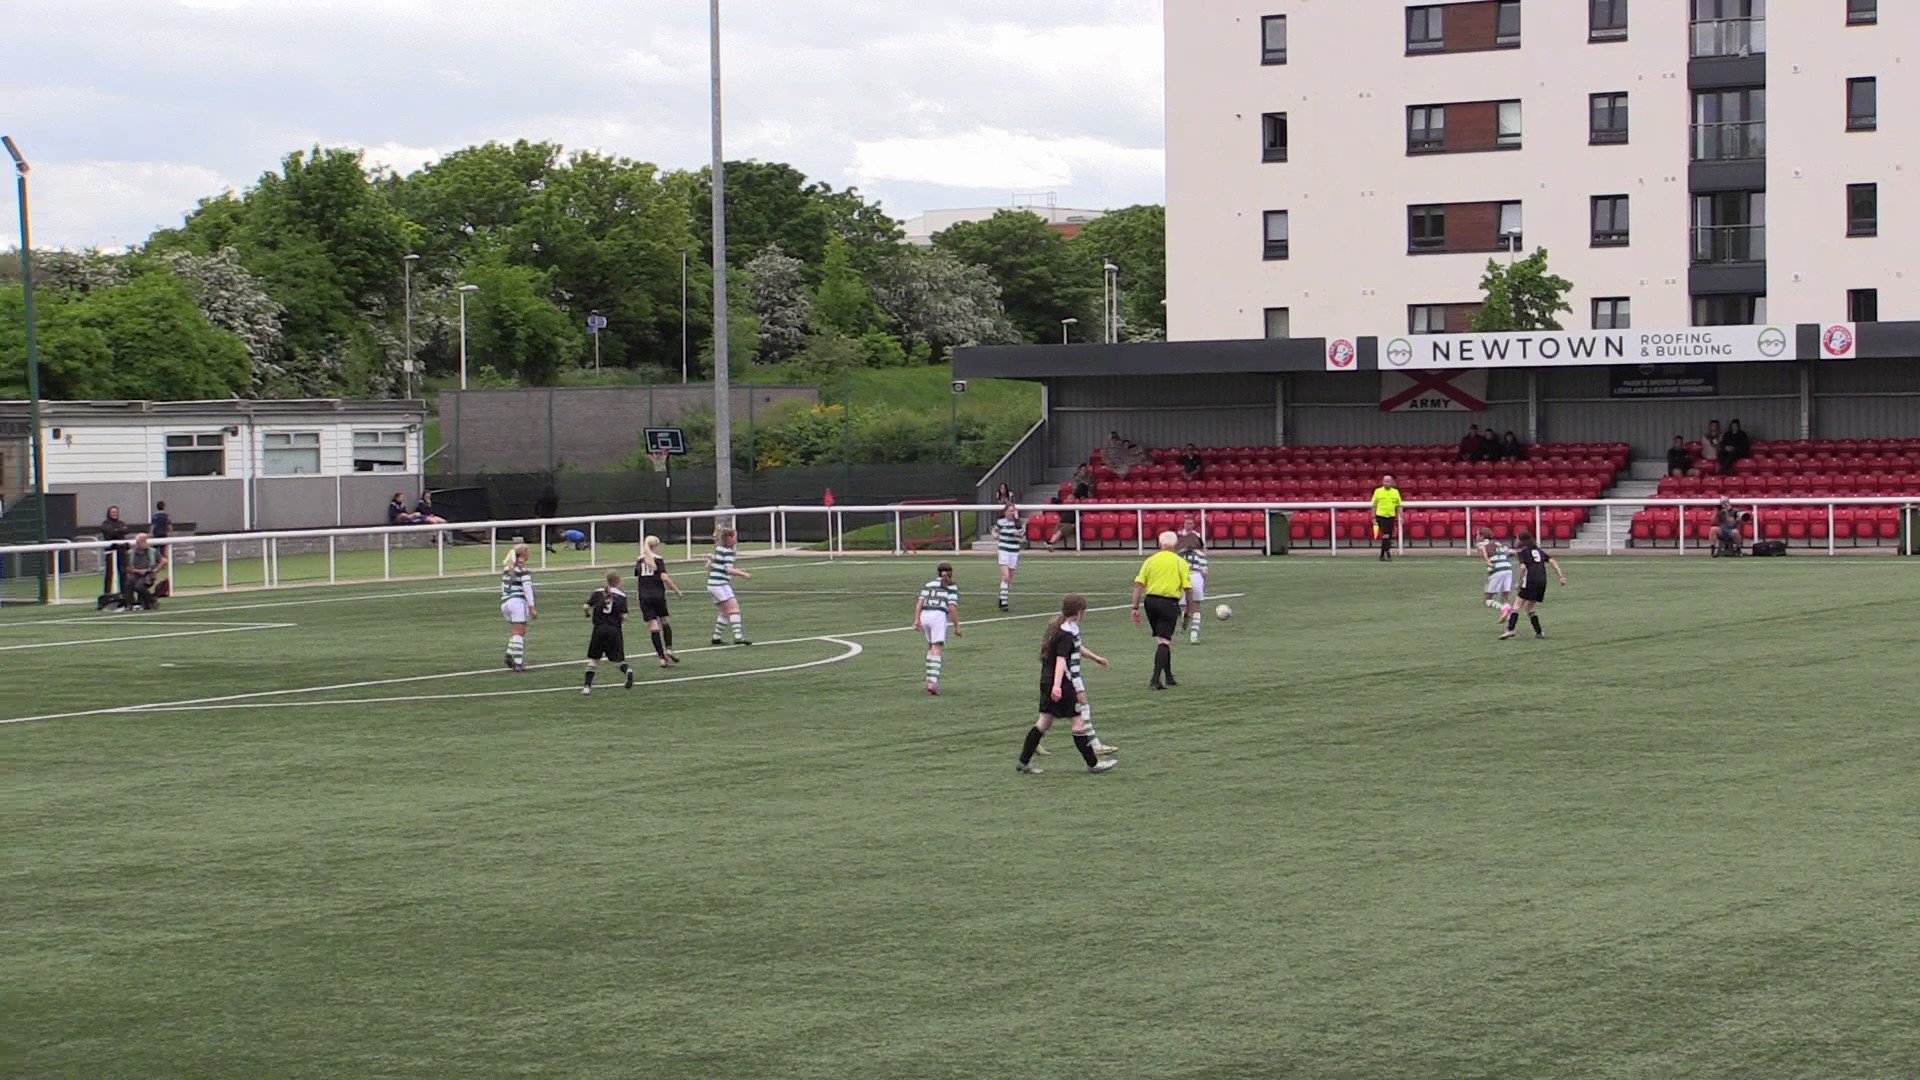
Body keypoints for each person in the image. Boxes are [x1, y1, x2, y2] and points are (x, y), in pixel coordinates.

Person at [1015, 594, 1119, 776]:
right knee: (1078, 723)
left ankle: (1023, 761)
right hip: (1061, 683)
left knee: (1044, 722)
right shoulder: (1066, 633)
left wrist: (1095, 657)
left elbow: (1073, 649)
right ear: (1079, 612)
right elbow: (1061, 660)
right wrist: (1057, 686)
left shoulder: (1062, 629)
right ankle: (1093, 764)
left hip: (1046, 680)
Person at [1131, 530, 1193, 691]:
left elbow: (1138, 585)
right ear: (1175, 544)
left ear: (1160, 544)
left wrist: (1135, 607)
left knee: (1161, 639)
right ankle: (1155, 679)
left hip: (1150, 602)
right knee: (1164, 641)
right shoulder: (1180, 563)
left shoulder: (1150, 561)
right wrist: (1189, 611)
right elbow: (1188, 589)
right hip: (1169, 603)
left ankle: (1169, 676)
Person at [1502, 529, 1566, 640]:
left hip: (1530, 580)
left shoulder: (1523, 552)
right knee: (1530, 607)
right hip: (1542, 581)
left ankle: (1510, 630)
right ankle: (1539, 632)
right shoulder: (1538, 551)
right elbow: (1553, 561)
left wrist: (1520, 582)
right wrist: (1561, 576)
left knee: (1517, 605)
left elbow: (1523, 567)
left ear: (1521, 540)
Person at [633, 534, 685, 668]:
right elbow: (665, 578)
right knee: (665, 621)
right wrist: (676, 591)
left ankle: (662, 658)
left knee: (653, 626)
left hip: (644, 597)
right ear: (655, 546)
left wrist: (639, 593)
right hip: (658, 595)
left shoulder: (639, 560)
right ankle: (669, 649)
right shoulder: (658, 559)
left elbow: (639, 579)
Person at [911, 562, 962, 695]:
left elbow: (919, 602)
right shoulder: (951, 586)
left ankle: (929, 678)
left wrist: (916, 619)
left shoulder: (929, 584)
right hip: (938, 615)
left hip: (925, 615)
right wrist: (957, 626)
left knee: (930, 646)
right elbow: (951, 608)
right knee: (937, 647)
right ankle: (932, 682)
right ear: (950, 572)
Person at [580, 570, 633, 694]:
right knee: (618, 659)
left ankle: (587, 687)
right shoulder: (621, 596)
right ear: (618, 581)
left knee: (594, 659)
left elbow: (586, 606)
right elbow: (624, 616)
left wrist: (587, 614)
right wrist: (621, 622)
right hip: (614, 630)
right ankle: (627, 670)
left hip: (599, 629)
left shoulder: (598, 592)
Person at [705, 526, 752, 645]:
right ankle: (738, 637)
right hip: (719, 584)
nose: (736, 539)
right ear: (730, 538)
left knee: (724, 612)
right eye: (735, 537)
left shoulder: (719, 549)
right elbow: (729, 570)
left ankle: (716, 637)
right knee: (734, 609)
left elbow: (708, 567)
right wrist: (743, 574)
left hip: (715, 584)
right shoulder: (728, 552)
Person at [500, 543, 537, 671]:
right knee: (519, 632)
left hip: (505, 602)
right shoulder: (523, 570)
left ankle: (509, 654)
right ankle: (518, 663)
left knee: (519, 631)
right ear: (523, 553)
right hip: (517, 602)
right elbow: (527, 589)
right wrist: (532, 607)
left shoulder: (507, 568)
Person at [1177, 514, 1210, 644]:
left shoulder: (1179, 553)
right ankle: (1194, 635)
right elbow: (1205, 571)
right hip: (1195, 577)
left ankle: (1184, 623)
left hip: (1184, 577)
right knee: (1196, 607)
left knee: (1184, 606)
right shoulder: (1200, 554)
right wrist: (1204, 584)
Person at [119, 534, 167, 611]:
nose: (144, 543)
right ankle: (130, 604)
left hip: (148, 574)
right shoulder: (130, 553)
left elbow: (164, 561)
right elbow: (126, 568)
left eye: (145, 541)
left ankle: (152, 599)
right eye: (142, 541)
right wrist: (138, 571)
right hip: (135, 574)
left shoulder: (152, 551)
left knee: (139, 585)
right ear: (137, 542)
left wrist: (156, 570)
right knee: (128, 583)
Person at [1476, 526, 1515, 617]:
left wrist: (1487, 560)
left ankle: (1503, 609)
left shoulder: (1481, 544)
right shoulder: (1498, 544)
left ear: (1482, 536)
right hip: (1508, 569)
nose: (1476, 537)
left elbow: (1483, 550)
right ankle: (1510, 619)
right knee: (1505, 597)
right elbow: (1510, 552)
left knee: (1488, 599)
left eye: (1477, 535)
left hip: (1497, 570)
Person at [994, 503, 1023, 610]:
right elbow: (995, 531)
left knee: (1009, 577)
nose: (1012, 513)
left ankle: (1002, 596)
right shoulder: (1001, 522)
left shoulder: (1018, 523)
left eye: (1013, 511)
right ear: (1005, 512)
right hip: (1004, 550)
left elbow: (1022, 537)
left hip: (1014, 551)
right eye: (1010, 511)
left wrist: (1018, 534)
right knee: (1005, 575)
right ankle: (1004, 602)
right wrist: (995, 535)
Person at [1370, 474, 1403, 561]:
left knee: (1388, 536)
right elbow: (1374, 505)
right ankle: (1388, 552)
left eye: (1388, 481)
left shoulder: (1395, 492)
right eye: (1385, 481)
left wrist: (1401, 516)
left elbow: (1399, 505)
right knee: (1386, 535)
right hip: (1380, 516)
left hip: (1391, 517)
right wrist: (1373, 517)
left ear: (1391, 482)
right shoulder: (1378, 491)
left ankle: (1382, 554)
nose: (1386, 483)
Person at [99, 505, 129, 598]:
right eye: (113, 512)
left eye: (116, 512)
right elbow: (109, 532)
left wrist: (116, 531)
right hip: (111, 552)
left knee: (123, 572)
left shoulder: (121, 522)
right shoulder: (105, 523)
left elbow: (126, 530)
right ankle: (107, 594)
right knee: (109, 573)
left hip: (121, 551)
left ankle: (124, 593)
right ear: (109, 513)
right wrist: (118, 531)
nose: (115, 514)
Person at [534, 484, 560, 552]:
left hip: (543, 516)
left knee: (543, 531)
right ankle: (550, 544)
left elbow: (536, 505)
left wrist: (537, 513)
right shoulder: (555, 498)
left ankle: (544, 545)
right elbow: (556, 506)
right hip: (552, 516)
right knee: (551, 531)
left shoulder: (542, 497)